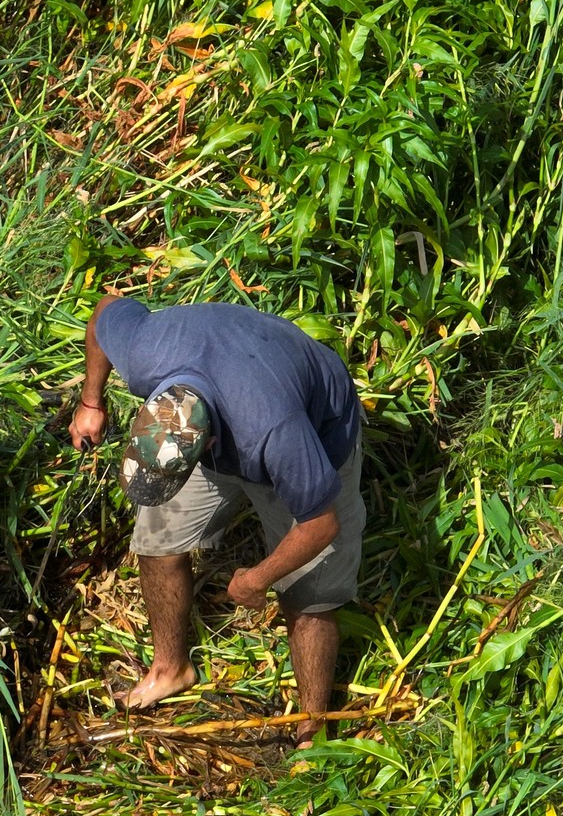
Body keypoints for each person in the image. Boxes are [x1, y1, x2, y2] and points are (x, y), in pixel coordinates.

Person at [68, 295, 365, 747]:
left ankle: (312, 729)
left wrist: (257, 579)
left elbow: (320, 525)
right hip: (230, 387)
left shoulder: (276, 432)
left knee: (309, 594)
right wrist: (91, 400)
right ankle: (171, 669)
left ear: (206, 446)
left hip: (316, 432)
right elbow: (106, 308)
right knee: (156, 539)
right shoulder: (144, 354)